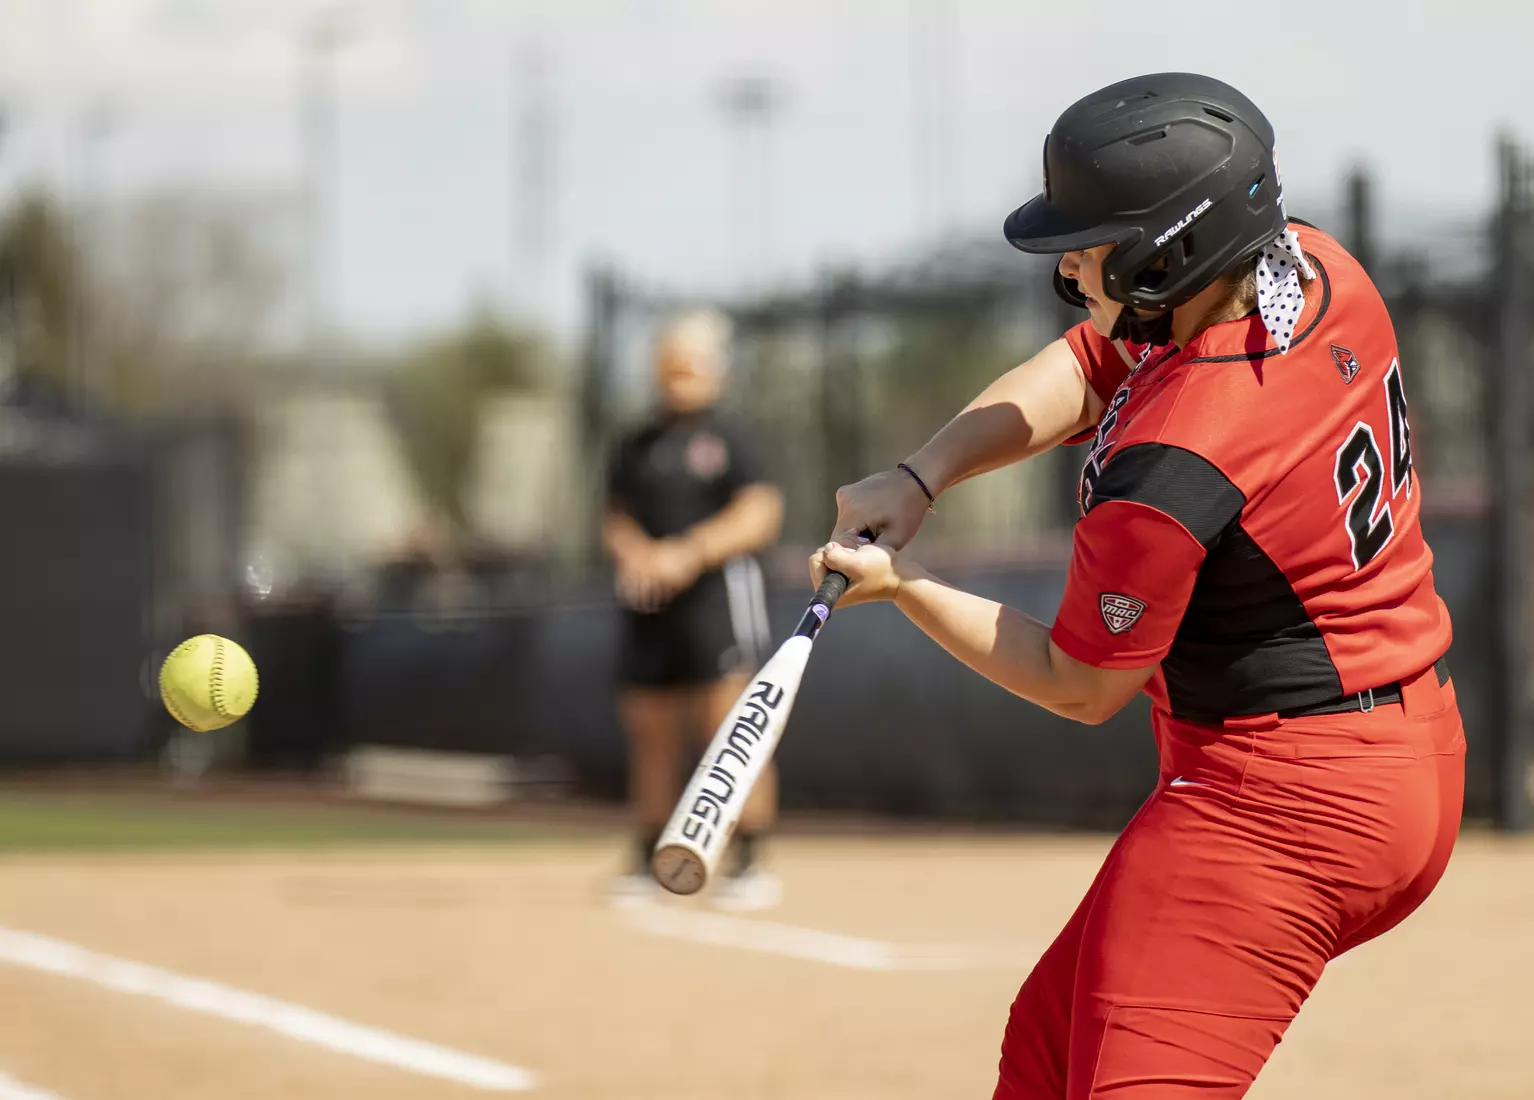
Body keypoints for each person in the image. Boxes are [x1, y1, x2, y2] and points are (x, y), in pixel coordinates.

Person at [812, 72, 1465, 1098]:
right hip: (1406, 750)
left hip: (1281, 803)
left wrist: (903, 585)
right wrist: (919, 474)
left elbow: (1080, 681)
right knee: (1045, 1050)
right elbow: (1087, 360)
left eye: (1091, 242)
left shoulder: (1172, 460)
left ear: (1175, 250)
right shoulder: (1316, 271)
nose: (1070, 264)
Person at [603, 308, 786, 910]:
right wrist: (636, 556)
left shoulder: (731, 439)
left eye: (693, 363)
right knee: (650, 731)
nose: (681, 374)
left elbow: (760, 513)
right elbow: (616, 517)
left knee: (730, 728)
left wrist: (689, 553)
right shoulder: (635, 444)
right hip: (650, 609)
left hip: (717, 604)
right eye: (672, 362)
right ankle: (646, 853)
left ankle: (749, 856)